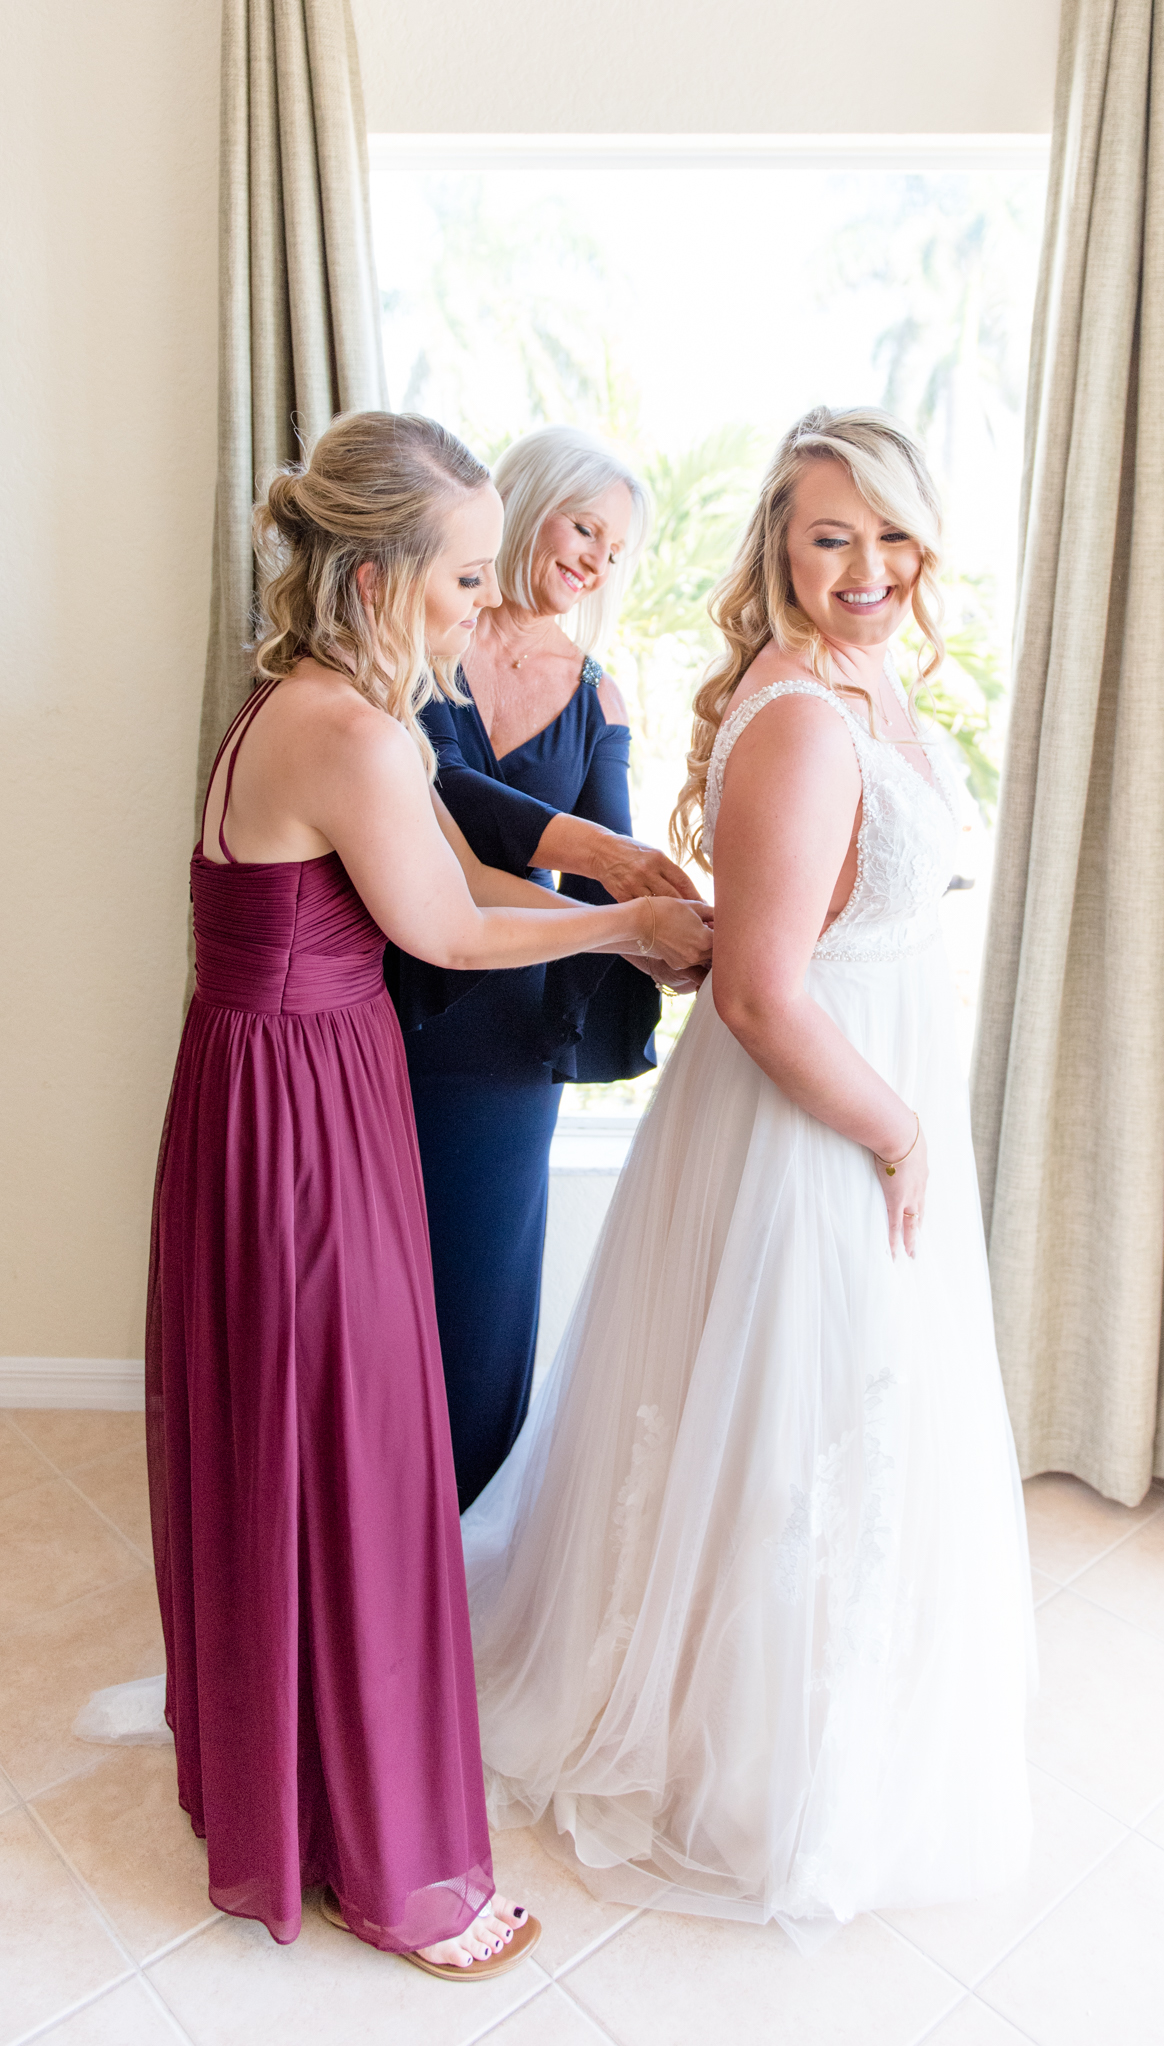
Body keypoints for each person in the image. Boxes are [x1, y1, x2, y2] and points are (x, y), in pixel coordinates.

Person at [144, 411, 712, 1979]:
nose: (482, 603)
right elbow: (449, 930)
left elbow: (449, 886)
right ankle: (394, 1869)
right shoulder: (350, 728)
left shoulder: (299, 702)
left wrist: (601, 884)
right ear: (385, 569)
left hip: (265, 1097)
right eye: (464, 574)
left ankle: (287, 1786)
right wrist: (612, 929)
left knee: (296, 1441)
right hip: (304, 1116)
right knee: (356, 1452)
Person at [460, 407, 1034, 1950]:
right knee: (792, 1424)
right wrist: (899, 1131)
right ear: (778, 549)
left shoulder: (874, 679)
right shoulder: (796, 716)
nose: (863, 567)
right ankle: (738, 1753)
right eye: (826, 535)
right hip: (813, 1124)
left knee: (842, 1426)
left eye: (886, 533)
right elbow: (762, 991)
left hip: (855, 1103)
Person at [386, 426, 701, 1508]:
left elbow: (616, 854)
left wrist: (677, 930)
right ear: (529, 503)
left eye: (616, 551)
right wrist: (617, 871)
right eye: (584, 527)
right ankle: (360, 1545)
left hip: (511, 1034)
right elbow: (453, 819)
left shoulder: (598, 697)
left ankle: (461, 1550)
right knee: (372, 1299)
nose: (596, 562)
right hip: (388, 1014)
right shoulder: (420, 644)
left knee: (480, 1299)